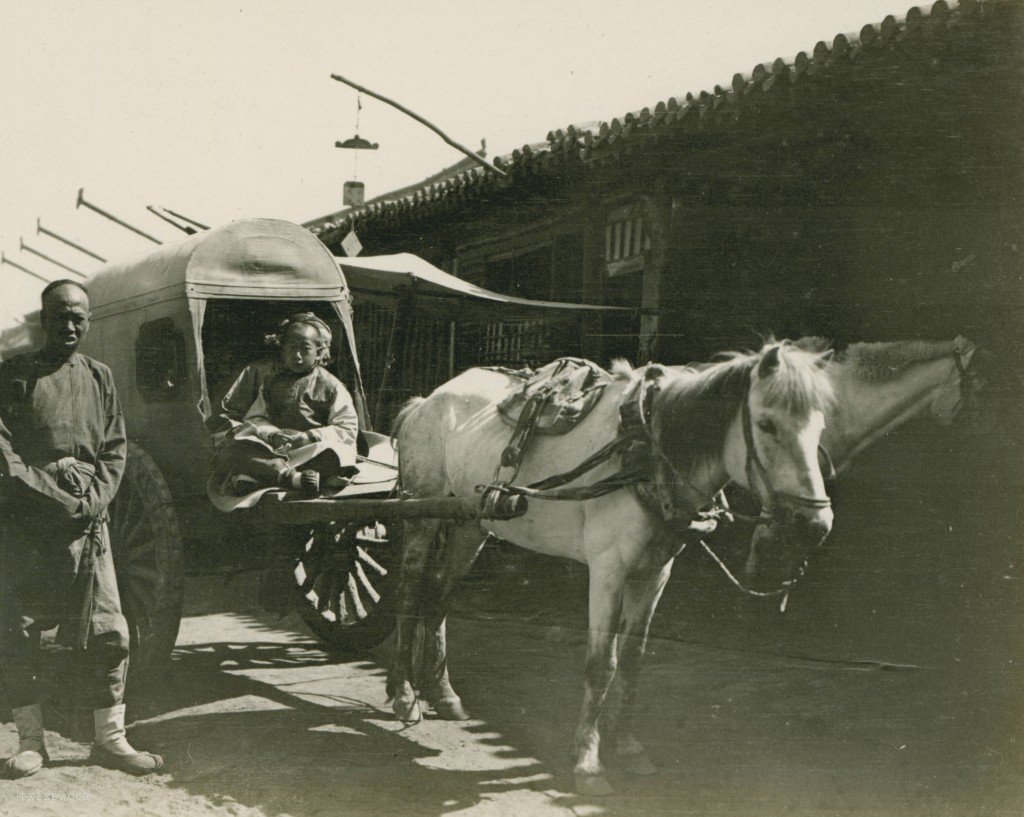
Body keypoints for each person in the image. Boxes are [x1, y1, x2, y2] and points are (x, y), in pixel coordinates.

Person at [0, 279, 163, 778]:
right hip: (31, 524)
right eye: (59, 316)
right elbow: (4, 453)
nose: (70, 326)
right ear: (42, 320)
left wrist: (92, 501)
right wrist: (54, 496)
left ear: (88, 321)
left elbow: (116, 447)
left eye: (79, 317)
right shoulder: (12, 375)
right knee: (21, 629)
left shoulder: (100, 376)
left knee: (110, 630)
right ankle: (30, 741)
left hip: (91, 524)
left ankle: (110, 738)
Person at [214, 313, 358, 496]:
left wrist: (309, 436)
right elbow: (255, 418)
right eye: (291, 349)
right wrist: (273, 434)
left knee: (338, 454)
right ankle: (292, 478)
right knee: (234, 444)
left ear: (319, 353)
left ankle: (265, 475)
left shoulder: (331, 386)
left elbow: (347, 428)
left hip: (309, 451)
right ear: (283, 351)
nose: (297, 356)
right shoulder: (270, 383)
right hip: (274, 450)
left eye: (305, 349)